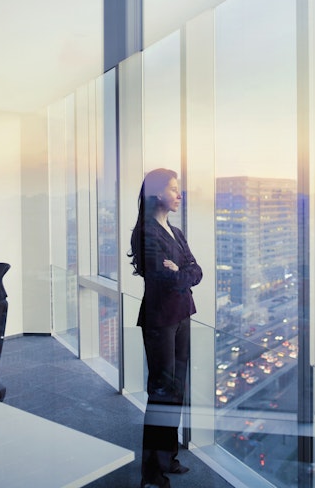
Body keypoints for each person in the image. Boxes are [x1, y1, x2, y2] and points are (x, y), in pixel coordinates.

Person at [130, 168, 203, 488]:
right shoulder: (145, 232)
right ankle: (150, 472)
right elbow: (161, 278)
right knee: (161, 394)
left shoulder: (174, 231)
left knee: (176, 392)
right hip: (160, 320)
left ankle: (167, 458)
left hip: (183, 315)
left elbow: (196, 271)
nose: (179, 194)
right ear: (157, 193)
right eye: (174, 189)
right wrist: (179, 274)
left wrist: (181, 272)